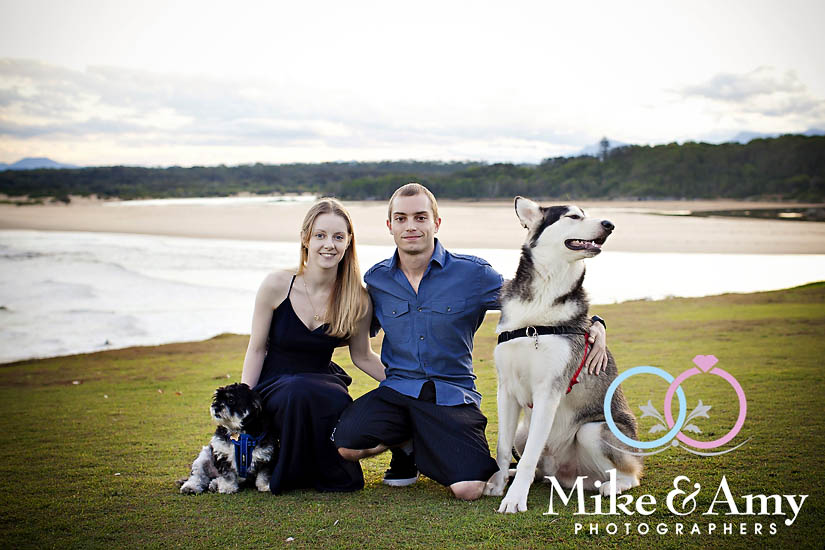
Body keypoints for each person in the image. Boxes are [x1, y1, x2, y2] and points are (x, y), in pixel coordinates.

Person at [334, 183, 607, 500]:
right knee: (348, 445)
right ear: (390, 225)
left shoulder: (473, 274)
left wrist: (594, 323)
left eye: (421, 217)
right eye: (401, 218)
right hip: (398, 392)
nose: (411, 226)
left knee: (470, 489)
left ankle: (420, 444)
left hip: (451, 395)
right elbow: (352, 331)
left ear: (436, 223)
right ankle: (405, 446)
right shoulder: (377, 279)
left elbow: (532, 297)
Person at [240, 198, 386, 494]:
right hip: (275, 384)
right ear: (306, 238)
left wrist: (409, 384)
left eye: (338, 237)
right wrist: (244, 402)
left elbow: (363, 356)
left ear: (348, 242)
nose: (329, 244)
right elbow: (256, 349)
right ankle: (289, 473)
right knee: (297, 391)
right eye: (320, 235)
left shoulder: (357, 297)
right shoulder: (277, 284)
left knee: (328, 397)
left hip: (323, 382)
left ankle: (329, 473)